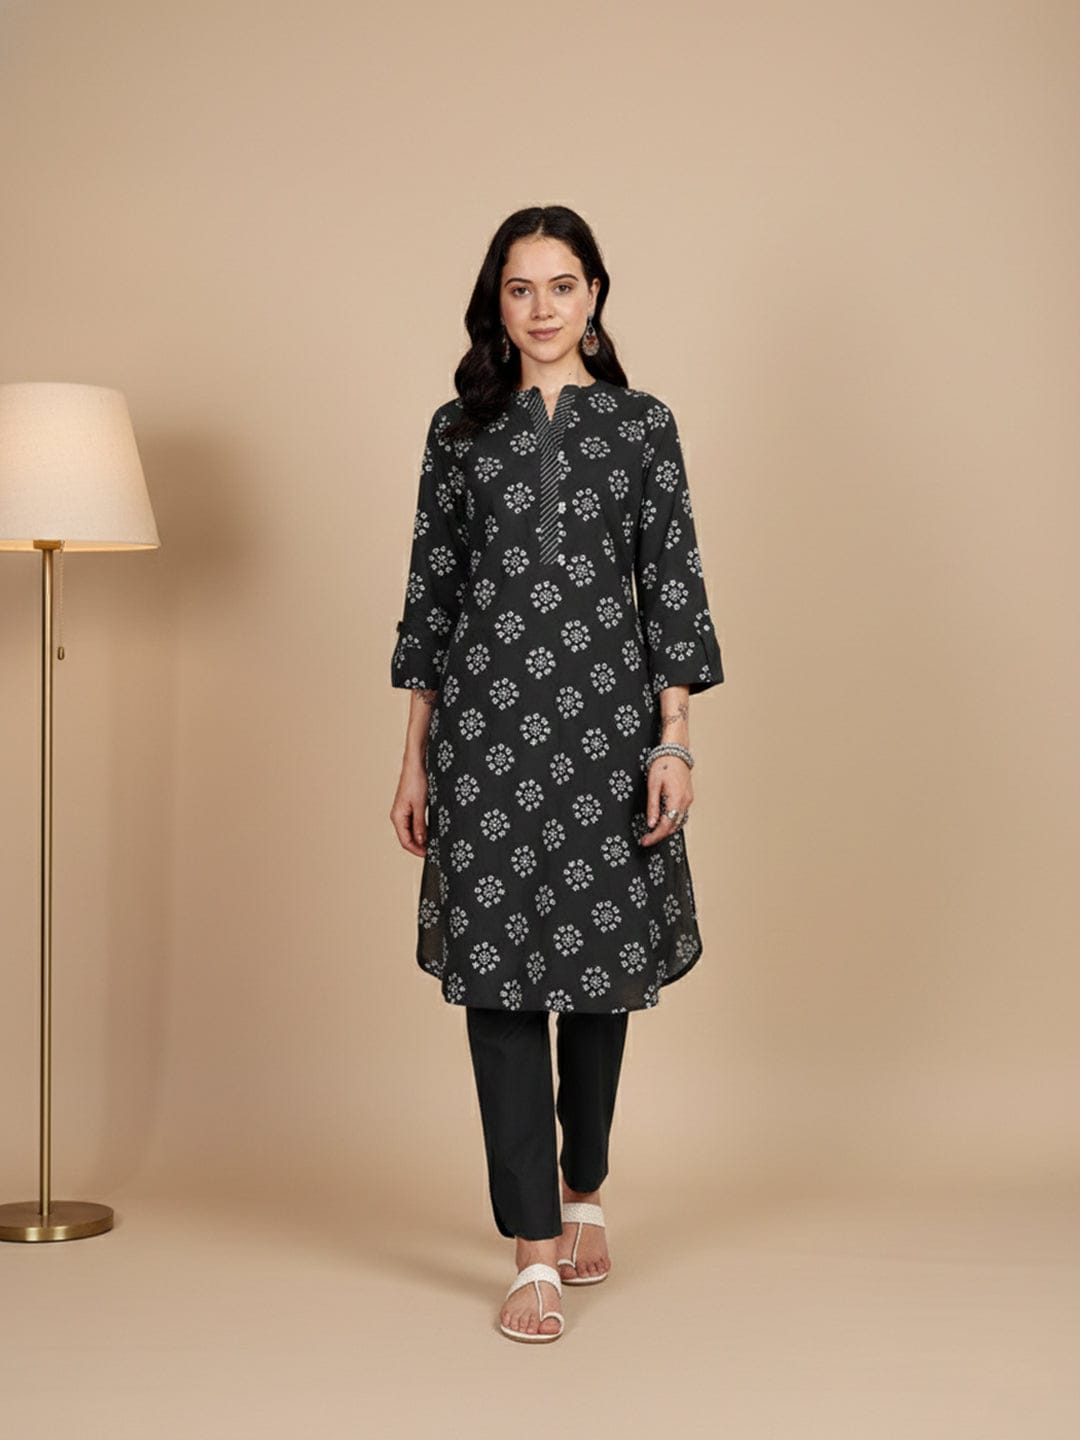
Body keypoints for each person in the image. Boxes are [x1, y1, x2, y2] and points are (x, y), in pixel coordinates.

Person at [389, 205, 724, 1342]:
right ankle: (532, 1248)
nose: (542, 308)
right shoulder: (457, 433)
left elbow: (672, 588)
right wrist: (414, 757)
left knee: (594, 986)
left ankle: (584, 1187)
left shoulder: (642, 426)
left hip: (604, 743)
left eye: (563, 285)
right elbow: (431, 601)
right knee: (496, 988)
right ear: (497, 302)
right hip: (483, 742)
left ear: (595, 295)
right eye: (520, 288)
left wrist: (673, 739)